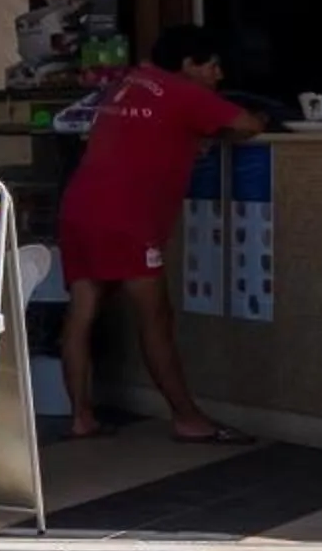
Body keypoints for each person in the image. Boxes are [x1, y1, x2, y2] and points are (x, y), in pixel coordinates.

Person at [56, 23, 264, 443]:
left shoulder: (125, 82)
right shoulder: (184, 92)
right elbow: (247, 125)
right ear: (188, 64)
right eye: (213, 66)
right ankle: (187, 418)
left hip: (79, 207)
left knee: (83, 311)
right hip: (126, 218)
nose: (218, 75)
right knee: (155, 317)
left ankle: (81, 417)